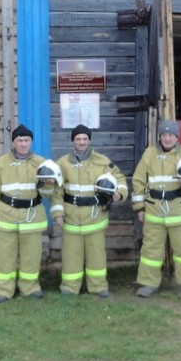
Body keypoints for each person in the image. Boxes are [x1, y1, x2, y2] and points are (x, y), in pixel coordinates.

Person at [49, 124, 129, 298]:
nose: (82, 142)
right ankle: (70, 287)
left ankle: (98, 287)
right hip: (70, 218)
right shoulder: (61, 164)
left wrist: (119, 194)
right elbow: (56, 190)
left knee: (96, 256)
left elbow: (120, 179)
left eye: (85, 139)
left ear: (89, 140)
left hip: (95, 217)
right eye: (78, 139)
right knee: (71, 256)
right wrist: (57, 213)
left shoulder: (102, 161)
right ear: (73, 142)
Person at [131, 119, 181, 299]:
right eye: (164, 135)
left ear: (177, 137)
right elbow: (138, 181)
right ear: (160, 137)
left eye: (171, 135)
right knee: (150, 251)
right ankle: (148, 284)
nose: (167, 138)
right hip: (154, 212)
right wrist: (139, 208)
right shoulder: (149, 154)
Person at [0, 124, 52, 303]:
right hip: (7, 216)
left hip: (32, 216)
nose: (23, 144)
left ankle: (30, 288)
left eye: (26, 140)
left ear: (31, 142)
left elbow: (47, 195)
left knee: (32, 255)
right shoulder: (1, 163)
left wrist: (48, 185)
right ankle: (4, 290)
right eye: (19, 140)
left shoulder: (41, 163)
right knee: (4, 256)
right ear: (13, 143)